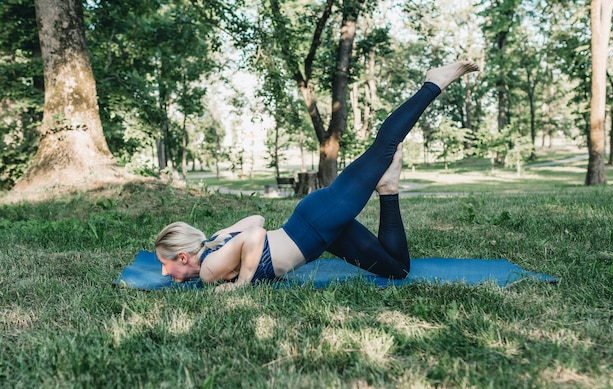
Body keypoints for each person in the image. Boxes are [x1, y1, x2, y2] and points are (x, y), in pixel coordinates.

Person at [155, 61, 479, 291]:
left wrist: (241, 283)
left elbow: (255, 235)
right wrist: (224, 238)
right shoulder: (215, 250)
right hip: (322, 232)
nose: (163, 271)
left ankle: (433, 82)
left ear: (182, 257)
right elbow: (253, 220)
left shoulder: (211, 270)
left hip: (316, 222)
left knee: (385, 147)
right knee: (397, 269)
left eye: (164, 263)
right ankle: (388, 189)